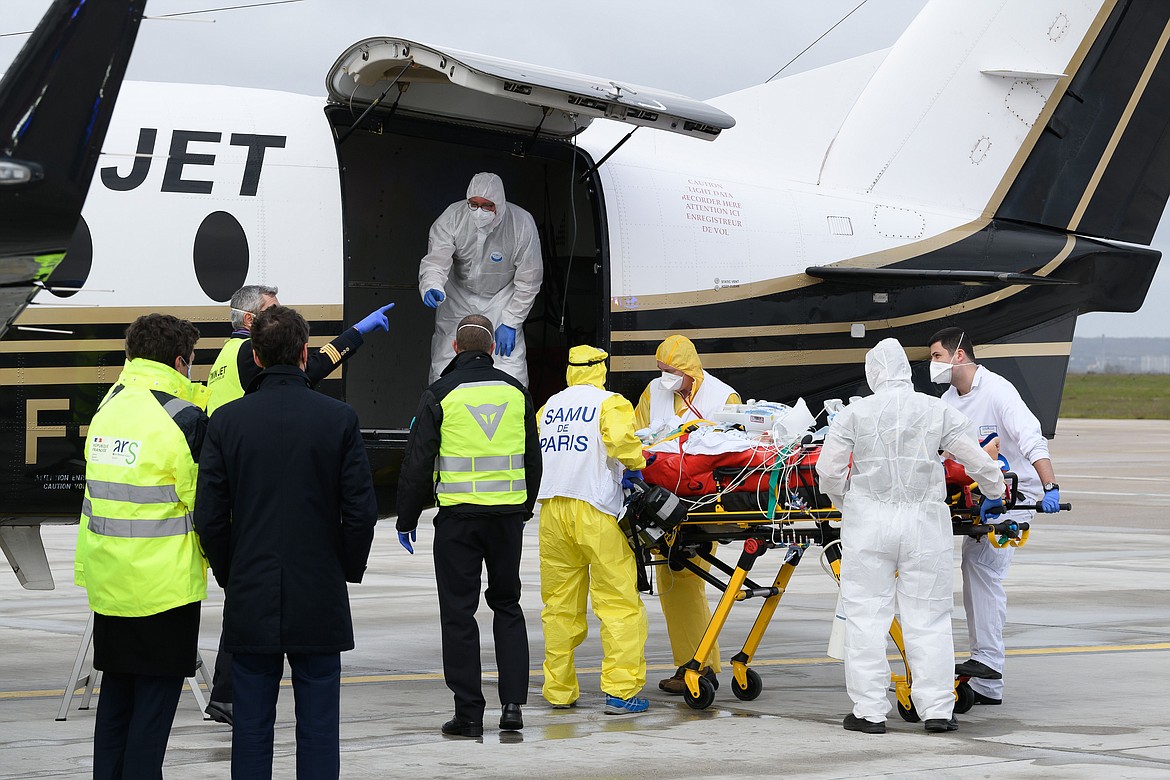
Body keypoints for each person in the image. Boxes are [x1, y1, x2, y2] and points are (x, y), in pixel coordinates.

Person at [193, 306, 378, 779]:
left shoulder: (227, 422)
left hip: (252, 588)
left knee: (251, 725)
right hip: (318, 588)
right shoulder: (338, 418)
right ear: (303, 354)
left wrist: (232, 572)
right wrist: (344, 569)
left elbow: (211, 516)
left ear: (254, 356)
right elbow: (360, 512)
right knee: (318, 724)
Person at [816, 338, 1006, 734]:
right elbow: (976, 459)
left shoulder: (855, 413)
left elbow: (829, 471)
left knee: (866, 616)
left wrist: (845, 503)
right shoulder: (936, 409)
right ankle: (936, 709)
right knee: (929, 617)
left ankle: (869, 712)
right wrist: (995, 492)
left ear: (874, 373)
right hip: (924, 525)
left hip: (869, 523)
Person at [74, 313, 209, 779]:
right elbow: (205, 507)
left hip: (109, 583)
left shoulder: (107, 407)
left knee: (116, 706)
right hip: (164, 589)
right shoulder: (184, 418)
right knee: (153, 715)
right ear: (178, 361)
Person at [396, 313, 542, 737]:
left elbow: (418, 462)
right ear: (493, 349)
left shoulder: (440, 393)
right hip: (507, 519)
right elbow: (533, 457)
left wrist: (406, 518)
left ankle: (469, 713)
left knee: (459, 614)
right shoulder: (517, 393)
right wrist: (523, 507)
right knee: (507, 606)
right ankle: (512, 706)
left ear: (455, 349)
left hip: (458, 519)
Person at [928, 327, 1062, 705]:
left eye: (936, 356)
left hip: (1017, 493)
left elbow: (1031, 438)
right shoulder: (949, 400)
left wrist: (1049, 485)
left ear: (957, 356)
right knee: (974, 566)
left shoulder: (998, 391)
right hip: (978, 494)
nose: (931, 364)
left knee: (982, 567)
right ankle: (988, 685)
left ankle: (987, 660)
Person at [536, 345, 650, 715]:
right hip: (596, 509)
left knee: (559, 606)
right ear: (601, 369)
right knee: (618, 604)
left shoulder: (549, 406)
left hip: (553, 510)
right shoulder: (611, 402)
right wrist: (638, 461)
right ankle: (620, 691)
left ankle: (558, 689)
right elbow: (622, 445)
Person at [633, 334, 741, 694]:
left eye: (671, 371)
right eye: (661, 370)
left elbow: (734, 450)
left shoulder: (722, 396)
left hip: (701, 502)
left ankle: (698, 666)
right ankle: (695, 663)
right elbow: (636, 438)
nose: (665, 378)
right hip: (658, 496)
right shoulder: (654, 391)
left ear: (690, 369)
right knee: (671, 582)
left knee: (686, 580)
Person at [419, 172, 543, 386]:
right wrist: (432, 284)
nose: (479, 211)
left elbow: (529, 278)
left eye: (487, 205)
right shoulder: (453, 217)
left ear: (500, 204)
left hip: (502, 299)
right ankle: (443, 414)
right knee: (446, 362)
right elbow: (436, 260)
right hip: (458, 297)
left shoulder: (520, 223)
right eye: (473, 204)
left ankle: (511, 414)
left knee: (509, 366)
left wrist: (512, 320)